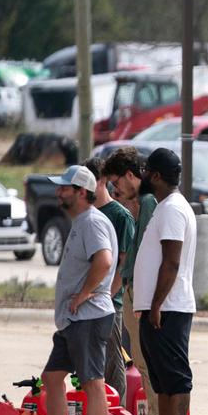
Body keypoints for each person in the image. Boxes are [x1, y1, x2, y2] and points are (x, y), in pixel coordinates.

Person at [40, 165, 117, 415]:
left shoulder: (92, 222)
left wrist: (84, 293)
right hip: (74, 319)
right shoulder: (81, 222)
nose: (58, 192)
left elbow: (105, 260)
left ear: (82, 192)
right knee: (52, 377)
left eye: (64, 188)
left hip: (89, 316)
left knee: (92, 382)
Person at [133, 149, 197, 415]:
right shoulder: (165, 207)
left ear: (156, 176)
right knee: (161, 379)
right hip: (157, 306)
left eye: (146, 171)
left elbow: (171, 262)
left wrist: (157, 304)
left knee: (175, 378)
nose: (142, 176)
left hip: (169, 307)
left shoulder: (173, 208)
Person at [103, 147, 159, 415]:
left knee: (146, 360)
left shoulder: (148, 202)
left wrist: (137, 292)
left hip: (140, 290)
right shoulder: (140, 202)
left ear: (129, 174)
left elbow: (143, 250)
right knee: (139, 358)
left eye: (117, 182)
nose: (116, 190)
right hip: (135, 289)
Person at [84, 155, 135, 399]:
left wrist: (106, 296)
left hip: (109, 303)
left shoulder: (120, 216)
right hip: (87, 301)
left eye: (90, 182)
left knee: (113, 366)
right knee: (91, 367)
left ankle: (117, 413)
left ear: (103, 180)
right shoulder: (86, 214)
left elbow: (123, 266)